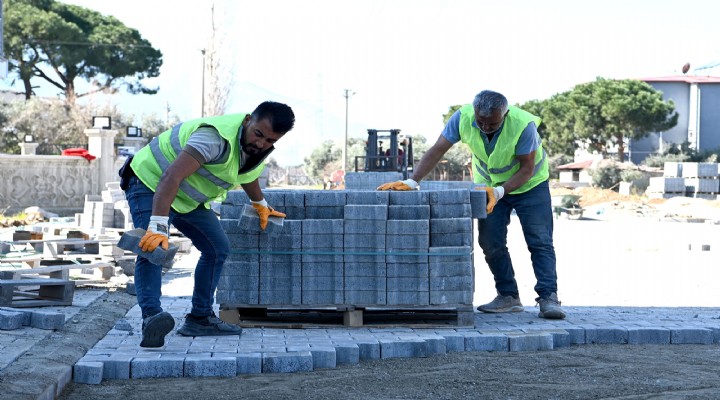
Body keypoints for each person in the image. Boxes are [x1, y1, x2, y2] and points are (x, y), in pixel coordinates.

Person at [119, 101, 296, 347]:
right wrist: (158, 225)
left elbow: (248, 174)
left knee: (217, 249)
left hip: (186, 199)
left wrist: (260, 203)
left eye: (270, 141)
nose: (261, 144)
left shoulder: (255, 148)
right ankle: (151, 318)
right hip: (150, 182)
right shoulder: (214, 138)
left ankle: (199, 318)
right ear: (248, 120)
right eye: (259, 135)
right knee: (153, 248)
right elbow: (172, 176)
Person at [377, 90, 565, 319]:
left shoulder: (523, 125)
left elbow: (526, 168)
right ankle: (508, 296)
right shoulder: (462, 117)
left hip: (530, 186)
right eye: (480, 122)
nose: (485, 127)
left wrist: (501, 191)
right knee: (490, 241)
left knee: (540, 241)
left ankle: (548, 298)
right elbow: (438, 149)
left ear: (504, 115)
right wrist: (412, 180)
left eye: (491, 123)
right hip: (489, 186)